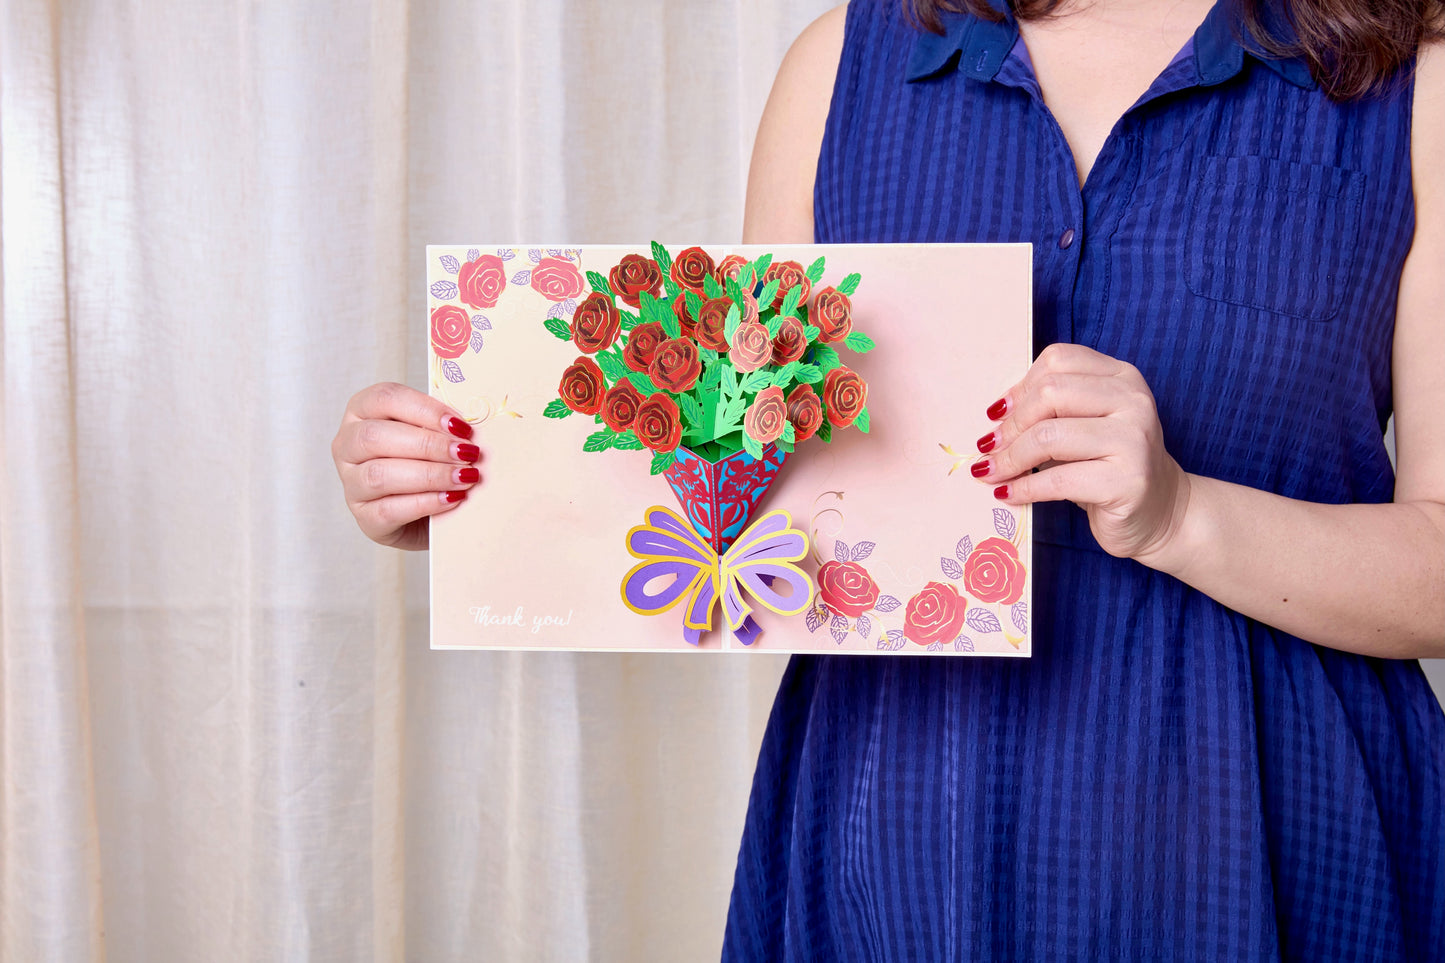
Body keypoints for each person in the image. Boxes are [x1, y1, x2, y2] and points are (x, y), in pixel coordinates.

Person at [332, 0, 1445, 956]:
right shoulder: (839, 65)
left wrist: (1180, 515)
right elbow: (748, 478)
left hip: (1280, 831)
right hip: (898, 848)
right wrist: (476, 490)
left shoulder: (1414, 83)